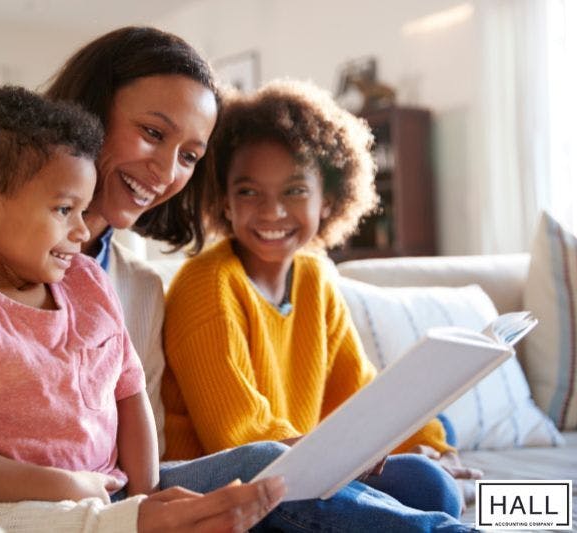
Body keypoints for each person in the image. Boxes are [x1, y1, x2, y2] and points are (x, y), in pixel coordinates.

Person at [0, 26, 473, 532]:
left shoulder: (132, 282)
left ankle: (523, 515)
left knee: (424, 480)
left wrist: (144, 499)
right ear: (90, 118)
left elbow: (138, 438)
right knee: (285, 472)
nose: (165, 172)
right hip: (21, 499)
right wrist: (109, 511)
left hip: (120, 485)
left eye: (189, 155)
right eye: (153, 133)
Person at [0, 85, 286, 532]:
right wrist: (63, 487)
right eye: (64, 209)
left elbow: (129, 393)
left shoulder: (88, 282)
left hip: (115, 490)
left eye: (83, 209)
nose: (81, 231)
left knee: (273, 465)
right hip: (20, 508)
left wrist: (146, 495)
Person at [161, 79, 482, 530]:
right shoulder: (207, 284)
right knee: (293, 474)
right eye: (250, 192)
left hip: (306, 467)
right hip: (231, 488)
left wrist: (434, 446)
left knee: (432, 484)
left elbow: (360, 393)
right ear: (225, 203)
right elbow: (240, 438)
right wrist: (342, 463)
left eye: (294, 190)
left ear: (327, 200)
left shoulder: (315, 278)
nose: (272, 212)